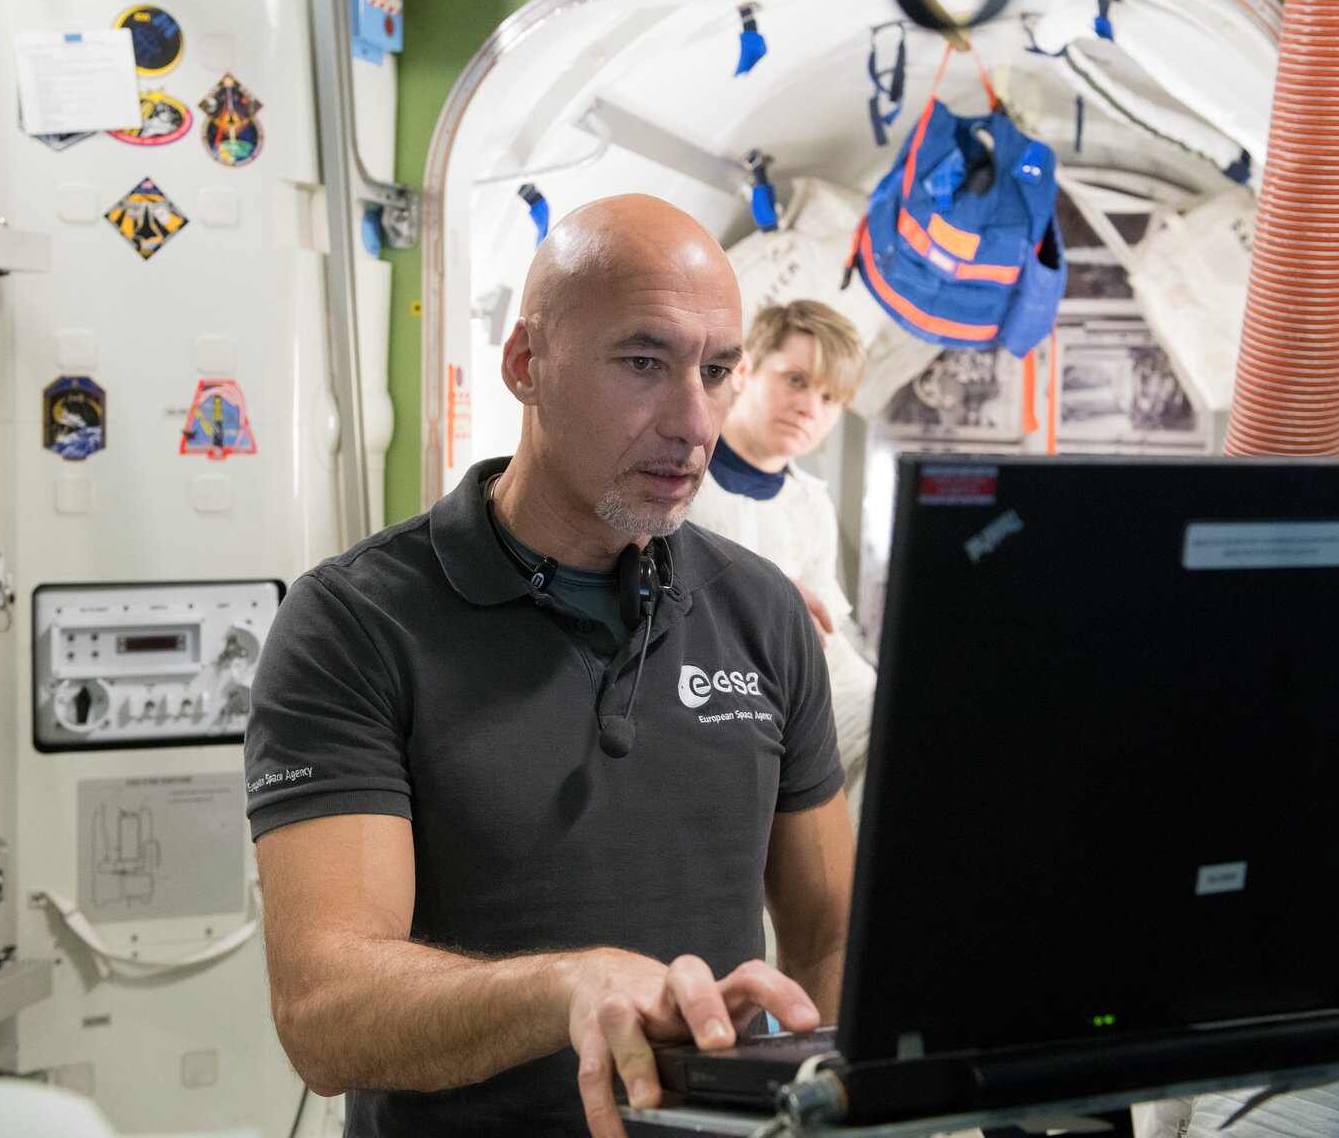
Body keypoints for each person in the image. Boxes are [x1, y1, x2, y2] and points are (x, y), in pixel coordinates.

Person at [245, 194, 855, 1138]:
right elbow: (323, 1015)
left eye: (718, 370)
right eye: (644, 362)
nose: (694, 422)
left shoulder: (761, 610)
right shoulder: (356, 623)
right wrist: (569, 988)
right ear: (529, 365)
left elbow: (829, 933)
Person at [686, 300, 878, 819]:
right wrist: (770, 598)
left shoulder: (812, 505)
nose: (810, 407)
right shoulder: (679, 473)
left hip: (786, 697)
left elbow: (824, 637)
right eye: (796, 380)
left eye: (830, 397)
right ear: (745, 370)